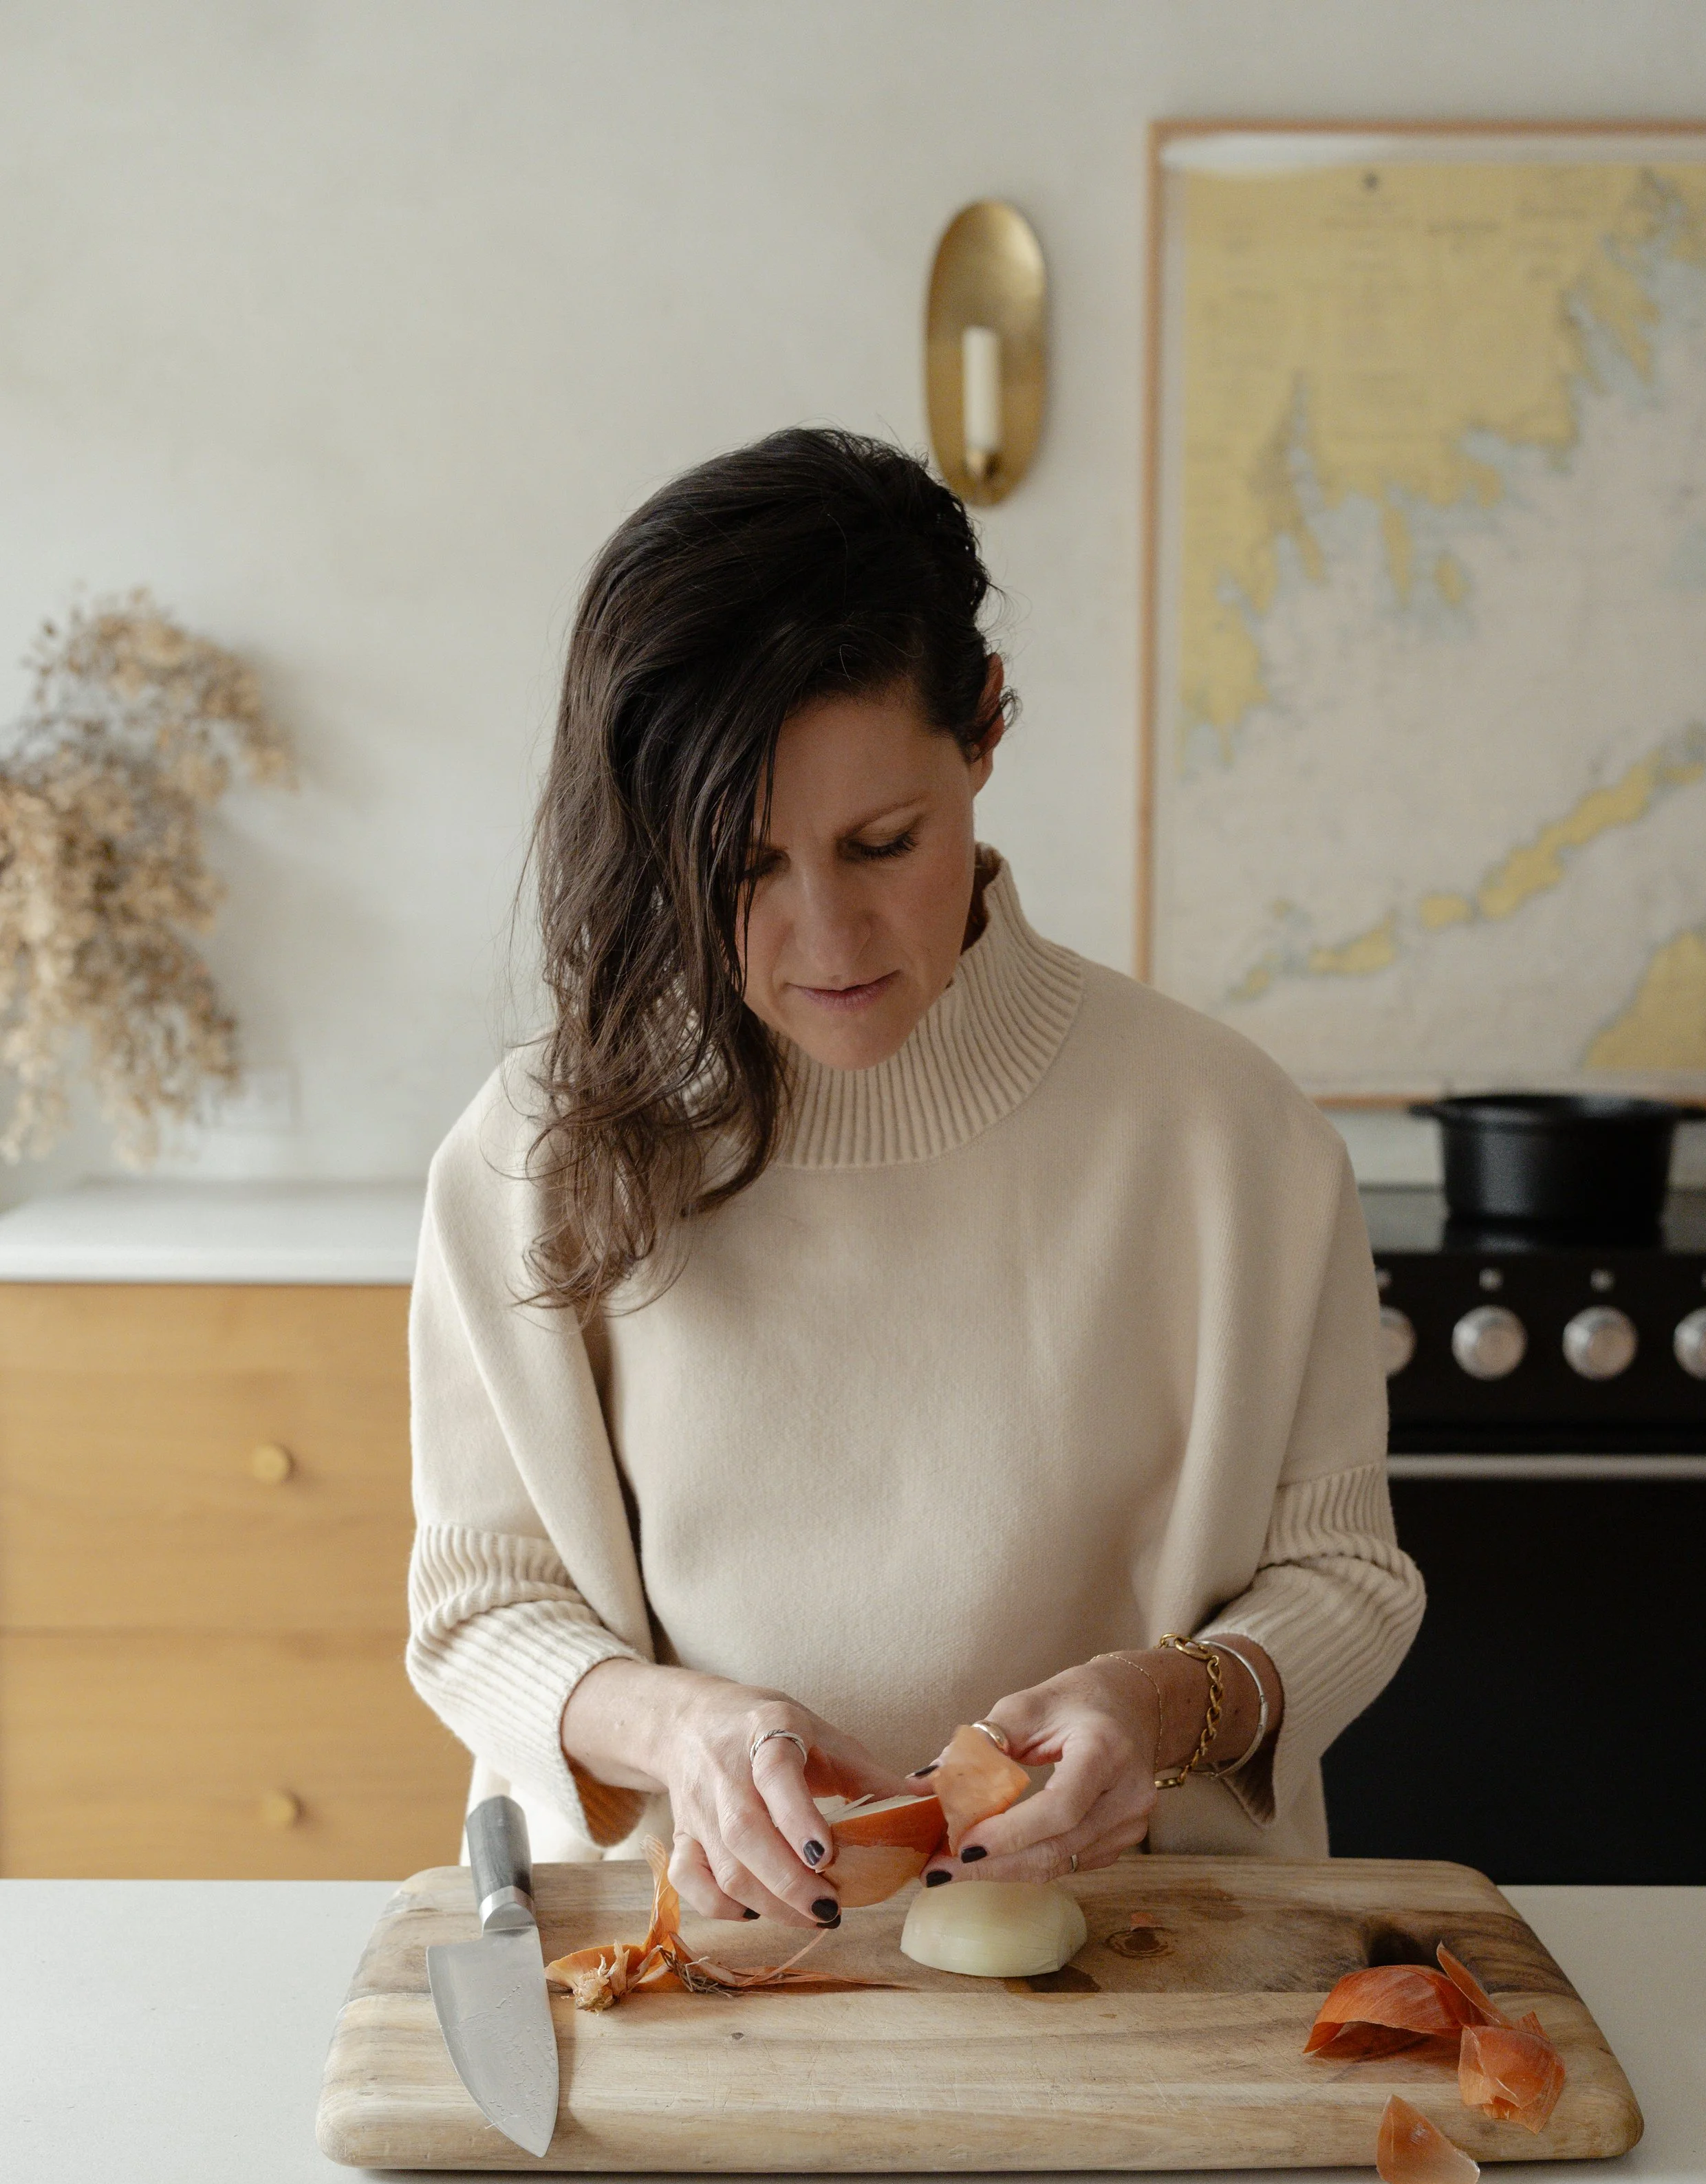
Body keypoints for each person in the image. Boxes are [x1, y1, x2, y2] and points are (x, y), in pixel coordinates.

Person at [407, 427, 1424, 1929]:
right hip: (687, 1971)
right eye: (740, 868)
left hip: (1152, 1967)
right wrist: (678, 1732)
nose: (827, 939)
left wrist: (1167, 1705)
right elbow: (478, 1608)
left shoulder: (1229, 1140)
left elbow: (1344, 1574)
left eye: (883, 843)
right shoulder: (532, 1153)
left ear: (986, 734)